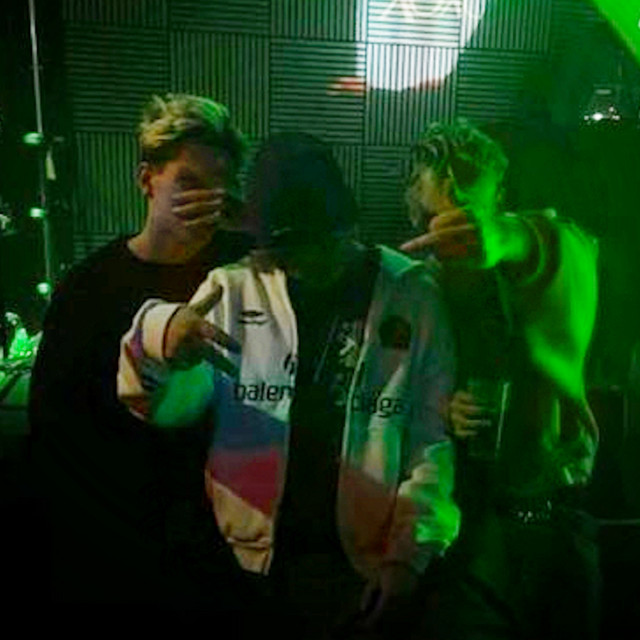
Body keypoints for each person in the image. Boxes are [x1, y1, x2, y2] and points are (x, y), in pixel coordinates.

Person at [117, 132, 460, 637]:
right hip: (247, 568)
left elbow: (430, 437)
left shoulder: (412, 294)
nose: (304, 262)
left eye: (317, 243)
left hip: (365, 567)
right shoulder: (232, 288)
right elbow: (169, 408)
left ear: (346, 226)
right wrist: (160, 344)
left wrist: (408, 554)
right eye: (285, 250)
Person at [28, 93, 253, 607]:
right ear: (146, 179)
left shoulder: (248, 270)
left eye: (220, 185)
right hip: (120, 547)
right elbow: (55, 432)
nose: (206, 200)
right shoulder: (89, 288)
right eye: (189, 183)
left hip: (228, 552)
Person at [402, 119, 600, 639]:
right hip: (468, 533)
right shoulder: (421, 288)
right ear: (418, 204)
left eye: (469, 199)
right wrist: (446, 405)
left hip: (554, 525)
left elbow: (543, 240)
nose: (457, 217)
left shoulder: (556, 247)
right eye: (441, 208)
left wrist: (500, 235)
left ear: (499, 194)